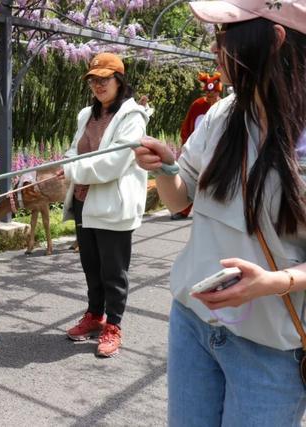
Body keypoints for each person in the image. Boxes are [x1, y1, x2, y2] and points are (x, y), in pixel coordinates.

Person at [133, 1, 306, 425]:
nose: (215, 48)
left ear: (274, 39)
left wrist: (274, 282)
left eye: (224, 35)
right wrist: (168, 167)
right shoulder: (222, 114)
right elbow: (179, 202)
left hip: (270, 346)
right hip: (193, 322)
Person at [61, 52, 149, 357]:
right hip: (84, 201)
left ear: (119, 80)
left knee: (114, 270)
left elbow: (114, 164)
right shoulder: (86, 115)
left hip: (113, 205)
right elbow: (74, 149)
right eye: (93, 80)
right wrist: (71, 163)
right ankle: (94, 315)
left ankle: (113, 325)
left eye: (104, 79)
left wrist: (71, 168)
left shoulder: (132, 117)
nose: (98, 85)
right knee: (91, 267)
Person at [171, 71, 223, 220]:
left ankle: (212, 211)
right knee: (188, 177)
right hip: (196, 150)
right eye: (207, 92)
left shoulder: (224, 106)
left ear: (218, 91)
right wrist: (185, 143)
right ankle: (182, 209)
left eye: (212, 92)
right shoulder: (198, 105)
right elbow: (187, 125)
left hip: (217, 153)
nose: (209, 95)